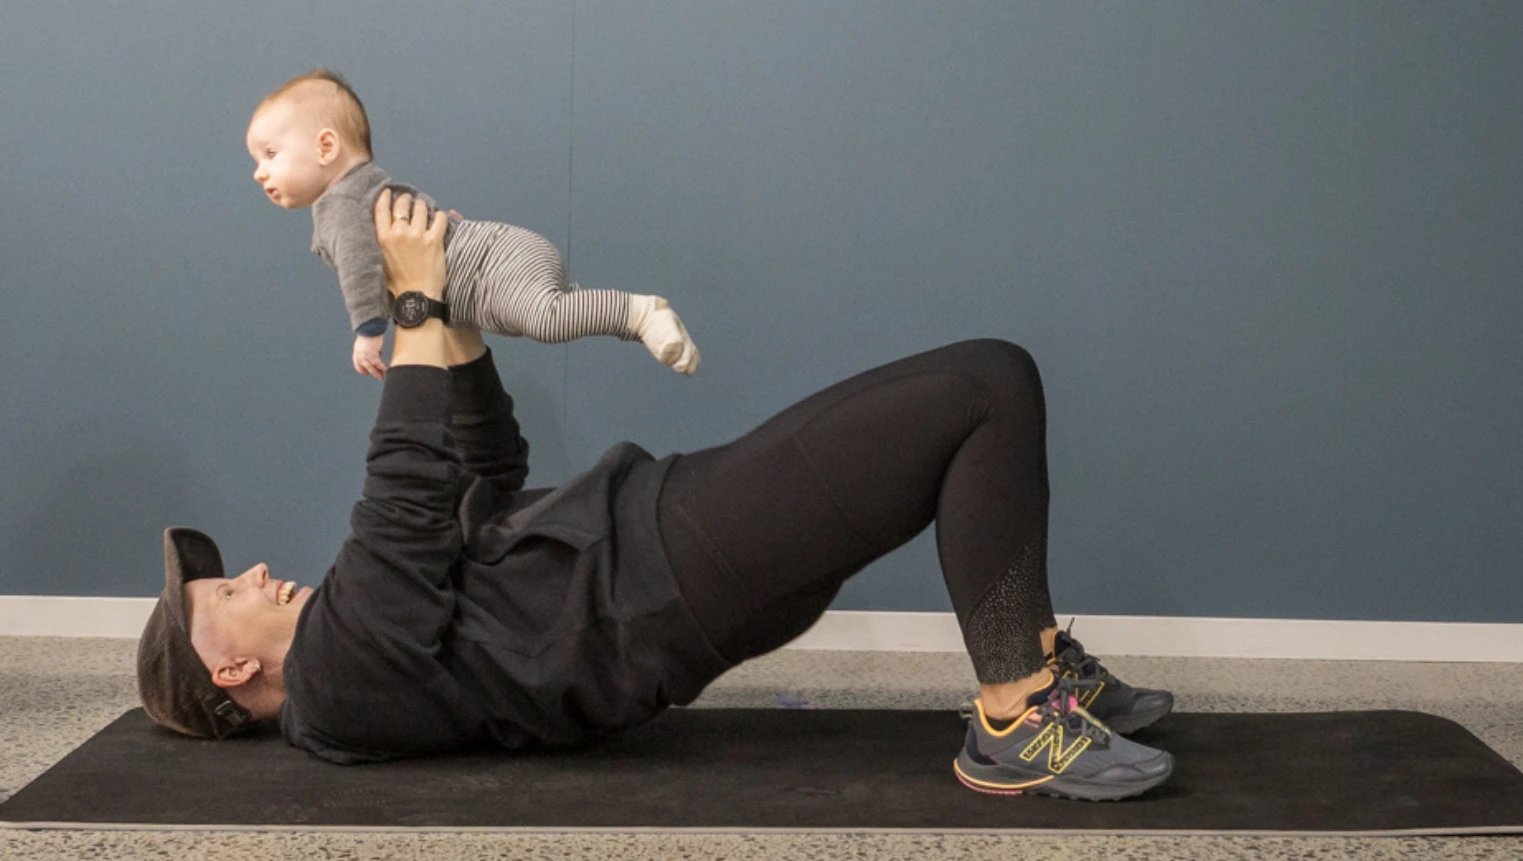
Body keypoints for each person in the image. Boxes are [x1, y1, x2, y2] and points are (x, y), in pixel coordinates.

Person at [137, 189, 1176, 802]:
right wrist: (408, 296)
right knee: (986, 386)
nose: (257, 572)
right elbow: (404, 496)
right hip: (667, 568)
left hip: (667, 556)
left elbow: (477, 472)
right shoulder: (332, 678)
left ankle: (1030, 667)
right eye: (225, 588)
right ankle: (1014, 716)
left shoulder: (366, 648)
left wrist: (448, 319)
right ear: (228, 665)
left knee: (978, 398)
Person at [247, 66, 699, 380]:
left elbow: (360, 264)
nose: (259, 171)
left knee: (545, 318)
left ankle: (640, 312)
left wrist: (368, 331)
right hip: (492, 259)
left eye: (271, 154)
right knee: (557, 308)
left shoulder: (342, 206)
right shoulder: (364, 190)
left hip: (489, 263)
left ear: (327, 147)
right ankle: (639, 323)